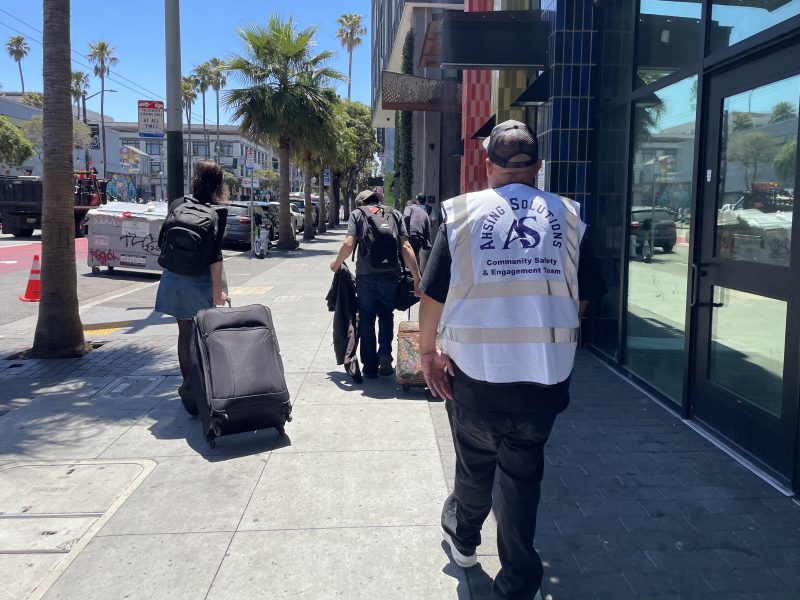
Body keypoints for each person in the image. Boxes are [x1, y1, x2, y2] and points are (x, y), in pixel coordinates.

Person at [418, 120, 604, 600]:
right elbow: (581, 302)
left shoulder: (460, 216)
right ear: (537, 167)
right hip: (543, 383)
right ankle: (518, 581)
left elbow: (432, 295)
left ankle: (463, 542)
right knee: (523, 479)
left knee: (474, 464)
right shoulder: (570, 217)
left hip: (475, 378)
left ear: (488, 164)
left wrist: (428, 353)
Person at [155, 160, 229, 414]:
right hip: (200, 281)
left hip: (174, 277)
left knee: (184, 334)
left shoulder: (178, 203)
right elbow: (215, 256)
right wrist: (218, 291)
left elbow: (163, 239)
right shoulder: (218, 211)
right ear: (219, 184)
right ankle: (203, 388)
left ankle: (189, 387)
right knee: (204, 335)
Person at [330, 189, 421, 378]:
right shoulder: (394, 213)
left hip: (366, 276)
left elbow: (348, 244)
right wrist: (417, 277)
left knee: (367, 317)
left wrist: (336, 264)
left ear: (361, 202)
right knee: (386, 315)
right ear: (377, 200)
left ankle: (370, 366)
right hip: (391, 276)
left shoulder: (358, 214)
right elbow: (405, 246)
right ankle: (385, 355)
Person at [403, 193, 433, 271]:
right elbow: (428, 229)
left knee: (407, 255)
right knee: (415, 256)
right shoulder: (425, 212)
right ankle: (416, 275)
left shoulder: (409, 207)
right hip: (420, 237)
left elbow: (406, 217)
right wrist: (428, 243)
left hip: (410, 234)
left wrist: (403, 231)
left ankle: (410, 275)